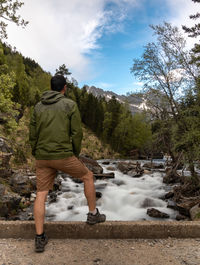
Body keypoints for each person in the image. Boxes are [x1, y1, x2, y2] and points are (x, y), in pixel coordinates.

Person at [29, 75, 106, 253]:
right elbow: (77, 132)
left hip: (42, 156)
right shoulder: (70, 105)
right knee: (88, 176)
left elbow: (32, 133)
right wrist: (75, 153)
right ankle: (93, 215)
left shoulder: (38, 106)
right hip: (63, 155)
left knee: (41, 193)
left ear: (51, 88)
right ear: (64, 88)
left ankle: (39, 238)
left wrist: (36, 151)